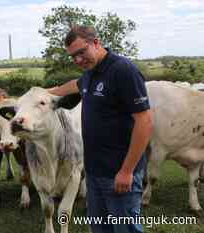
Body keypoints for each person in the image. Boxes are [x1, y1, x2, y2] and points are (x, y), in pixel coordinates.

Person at [48, 25, 153, 233]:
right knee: (100, 229)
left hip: (119, 174)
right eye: (72, 56)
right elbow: (72, 85)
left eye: (81, 52)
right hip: (94, 173)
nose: (78, 60)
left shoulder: (122, 70)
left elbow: (145, 121)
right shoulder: (90, 73)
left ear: (96, 43)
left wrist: (127, 171)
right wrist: (38, 93)